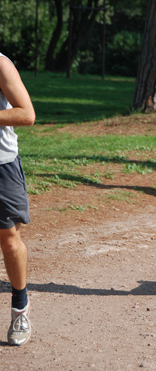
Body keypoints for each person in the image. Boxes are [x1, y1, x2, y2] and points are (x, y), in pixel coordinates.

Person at [0, 53, 35, 345]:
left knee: (9, 240)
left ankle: (20, 307)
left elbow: (26, 114)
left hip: (2, 166)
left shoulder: (1, 64)